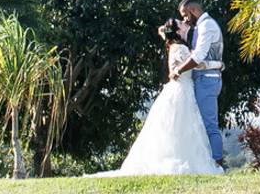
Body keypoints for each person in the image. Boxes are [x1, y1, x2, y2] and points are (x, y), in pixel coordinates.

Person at [86, 18, 223, 176]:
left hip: (177, 90)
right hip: (183, 91)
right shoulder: (181, 49)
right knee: (183, 127)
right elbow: (197, 63)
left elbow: (161, 30)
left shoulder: (173, 45)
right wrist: (218, 65)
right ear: (178, 32)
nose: (185, 22)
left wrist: (169, 31)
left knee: (179, 128)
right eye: (181, 23)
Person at [171, 0, 224, 167]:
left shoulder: (207, 25)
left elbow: (198, 55)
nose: (185, 19)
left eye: (185, 15)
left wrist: (178, 70)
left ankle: (217, 163)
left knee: (209, 125)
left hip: (207, 79)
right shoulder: (200, 27)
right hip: (203, 79)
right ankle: (208, 163)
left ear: (193, 10)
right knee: (201, 124)